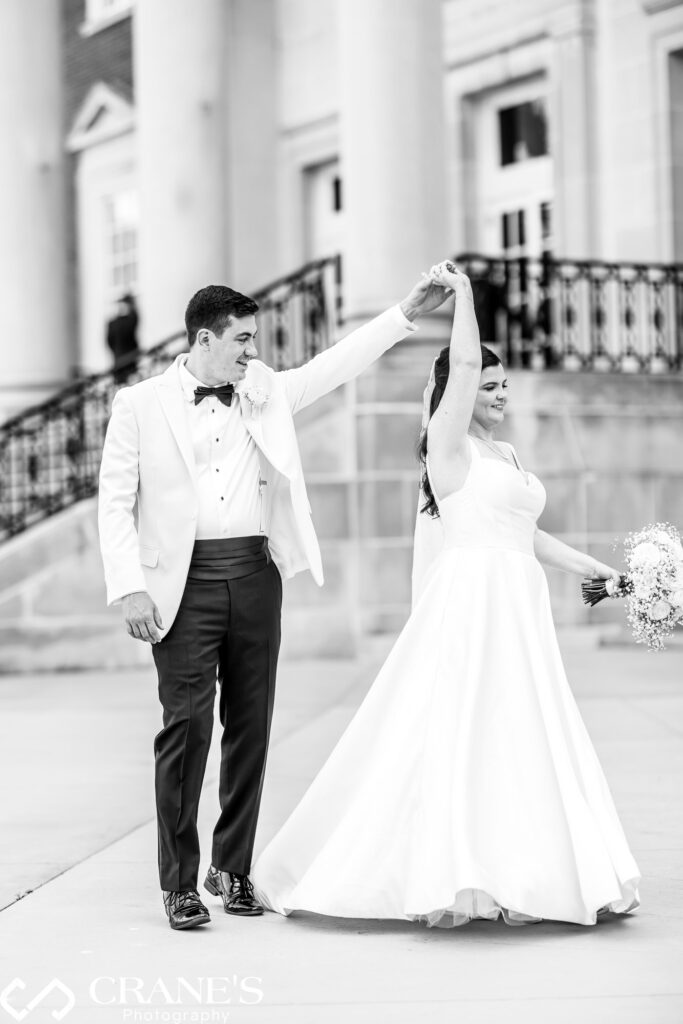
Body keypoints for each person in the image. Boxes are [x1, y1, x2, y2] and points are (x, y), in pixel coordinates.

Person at [251, 261, 640, 928]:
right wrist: (461, 296)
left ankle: (532, 869)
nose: (497, 394)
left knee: (523, 728)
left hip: (518, 604)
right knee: (465, 725)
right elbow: (459, 368)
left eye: (502, 385)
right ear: (456, 392)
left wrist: (603, 572)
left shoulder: (507, 455)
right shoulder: (446, 446)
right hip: (473, 601)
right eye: (488, 385)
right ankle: (451, 870)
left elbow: (529, 534)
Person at [97, 275, 451, 930]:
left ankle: (231, 867)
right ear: (204, 339)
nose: (250, 352)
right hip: (180, 585)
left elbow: (334, 366)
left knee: (251, 726)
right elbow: (115, 498)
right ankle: (178, 883)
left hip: (255, 576)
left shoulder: (264, 392)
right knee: (187, 727)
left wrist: (402, 312)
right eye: (240, 340)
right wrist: (128, 585)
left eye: (251, 340)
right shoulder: (138, 404)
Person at [106, 294, 139, 384]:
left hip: (122, 359)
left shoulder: (113, 322)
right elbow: (109, 341)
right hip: (125, 360)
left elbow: (109, 341)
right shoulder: (124, 320)